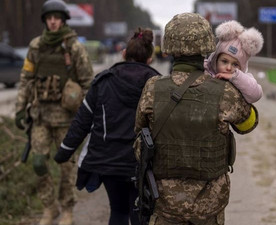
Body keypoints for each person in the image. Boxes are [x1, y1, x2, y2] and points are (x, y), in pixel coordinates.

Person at [134, 13, 258, 225]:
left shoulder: (153, 87)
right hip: (209, 208)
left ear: (169, 46)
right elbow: (248, 124)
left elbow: (139, 131)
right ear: (207, 46)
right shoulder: (225, 91)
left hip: (164, 204)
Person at [53, 28, 160, 225]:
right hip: (143, 164)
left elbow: (82, 122)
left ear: (123, 54)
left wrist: (64, 152)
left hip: (109, 164)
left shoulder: (103, 82)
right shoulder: (158, 85)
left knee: (118, 212)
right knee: (141, 214)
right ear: (150, 59)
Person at [14, 0, 93, 225]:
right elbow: (26, 78)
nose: (53, 21)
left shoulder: (74, 47)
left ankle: (67, 209)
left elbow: (88, 82)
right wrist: (20, 109)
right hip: (40, 116)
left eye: (57, 17)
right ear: (45, 21)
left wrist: (84, 113)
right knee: (38, 163)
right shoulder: (36, 46)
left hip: (66, 119)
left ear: (64, 20)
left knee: (67, 168)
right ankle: (49, 208)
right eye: (49, 18)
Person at [204, 20, 263, 103]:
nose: (228, 68)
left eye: (235, 64)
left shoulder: (243, 79)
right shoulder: (205, 69)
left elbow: (256, 94)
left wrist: (235, 77)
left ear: (242, 67)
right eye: (224, 61)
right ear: (215, 59)